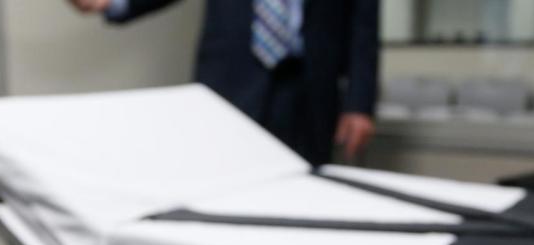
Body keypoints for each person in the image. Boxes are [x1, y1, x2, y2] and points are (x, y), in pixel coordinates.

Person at [68, 0, 379, 165]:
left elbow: (364, 20)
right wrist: (115, 2)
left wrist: (359, 103)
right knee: (222, 193)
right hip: (229, 83)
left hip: (308, 89)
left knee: (305, 203)